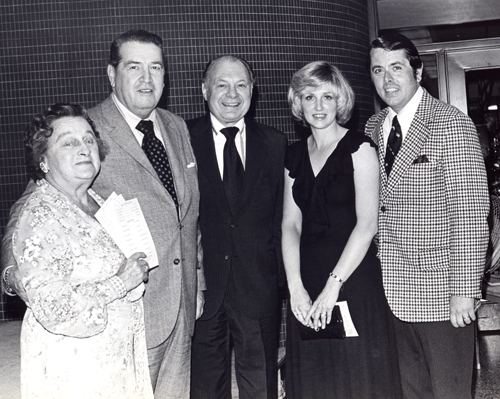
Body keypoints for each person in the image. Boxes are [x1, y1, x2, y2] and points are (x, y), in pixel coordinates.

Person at [2, 29, 204, 399]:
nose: (147, 78)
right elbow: (29, 205)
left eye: (156, 67)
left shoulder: (176, 127)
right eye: (134, 67)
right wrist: (12, 269)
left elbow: (187, 214)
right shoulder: (85, 130)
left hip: (182, 304)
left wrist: (197, 277)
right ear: (112, 74)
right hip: (124, 316)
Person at [365, 32, 490, 399]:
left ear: (418, 72)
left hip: (440, 293)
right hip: (388, 291)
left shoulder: (451, 123)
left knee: (449, 393)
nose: (387, 79)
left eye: (396, 68)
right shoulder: (373, 128)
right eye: (377, 70)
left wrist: (464, 291)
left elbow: (469, 214)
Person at [12, 103, 152, 399]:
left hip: (117, 364)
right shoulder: (38, 216)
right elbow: (55, 309)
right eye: (69, 142)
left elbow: (126, 276)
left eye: (89, 140)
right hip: (73, 368)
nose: (84, 148)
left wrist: (134, 270)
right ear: (43, 160)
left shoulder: (100, 203)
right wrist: (120, 282)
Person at [282, 61, 402, 399]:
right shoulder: (292, 154)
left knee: (358, 377)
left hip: (351, 277)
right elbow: (290, 224)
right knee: (316, 377)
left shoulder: (360, 148)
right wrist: (296, 287)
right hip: (307, 280)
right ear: (298, 103)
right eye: (309, 97)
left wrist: (333, 286)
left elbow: (367, 225)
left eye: (327, 97)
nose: (318, 107)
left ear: (341, 102)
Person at [186, 55, 286, 399]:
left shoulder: (275, 143)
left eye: (241, 85)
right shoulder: (182, 138)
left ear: (253, 90)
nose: (232, 94)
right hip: (203, 293)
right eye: (222, 84)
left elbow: (280, 220)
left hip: (259, 289)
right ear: (204, 89)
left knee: (261, 388)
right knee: (205, 389)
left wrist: (278, 280)